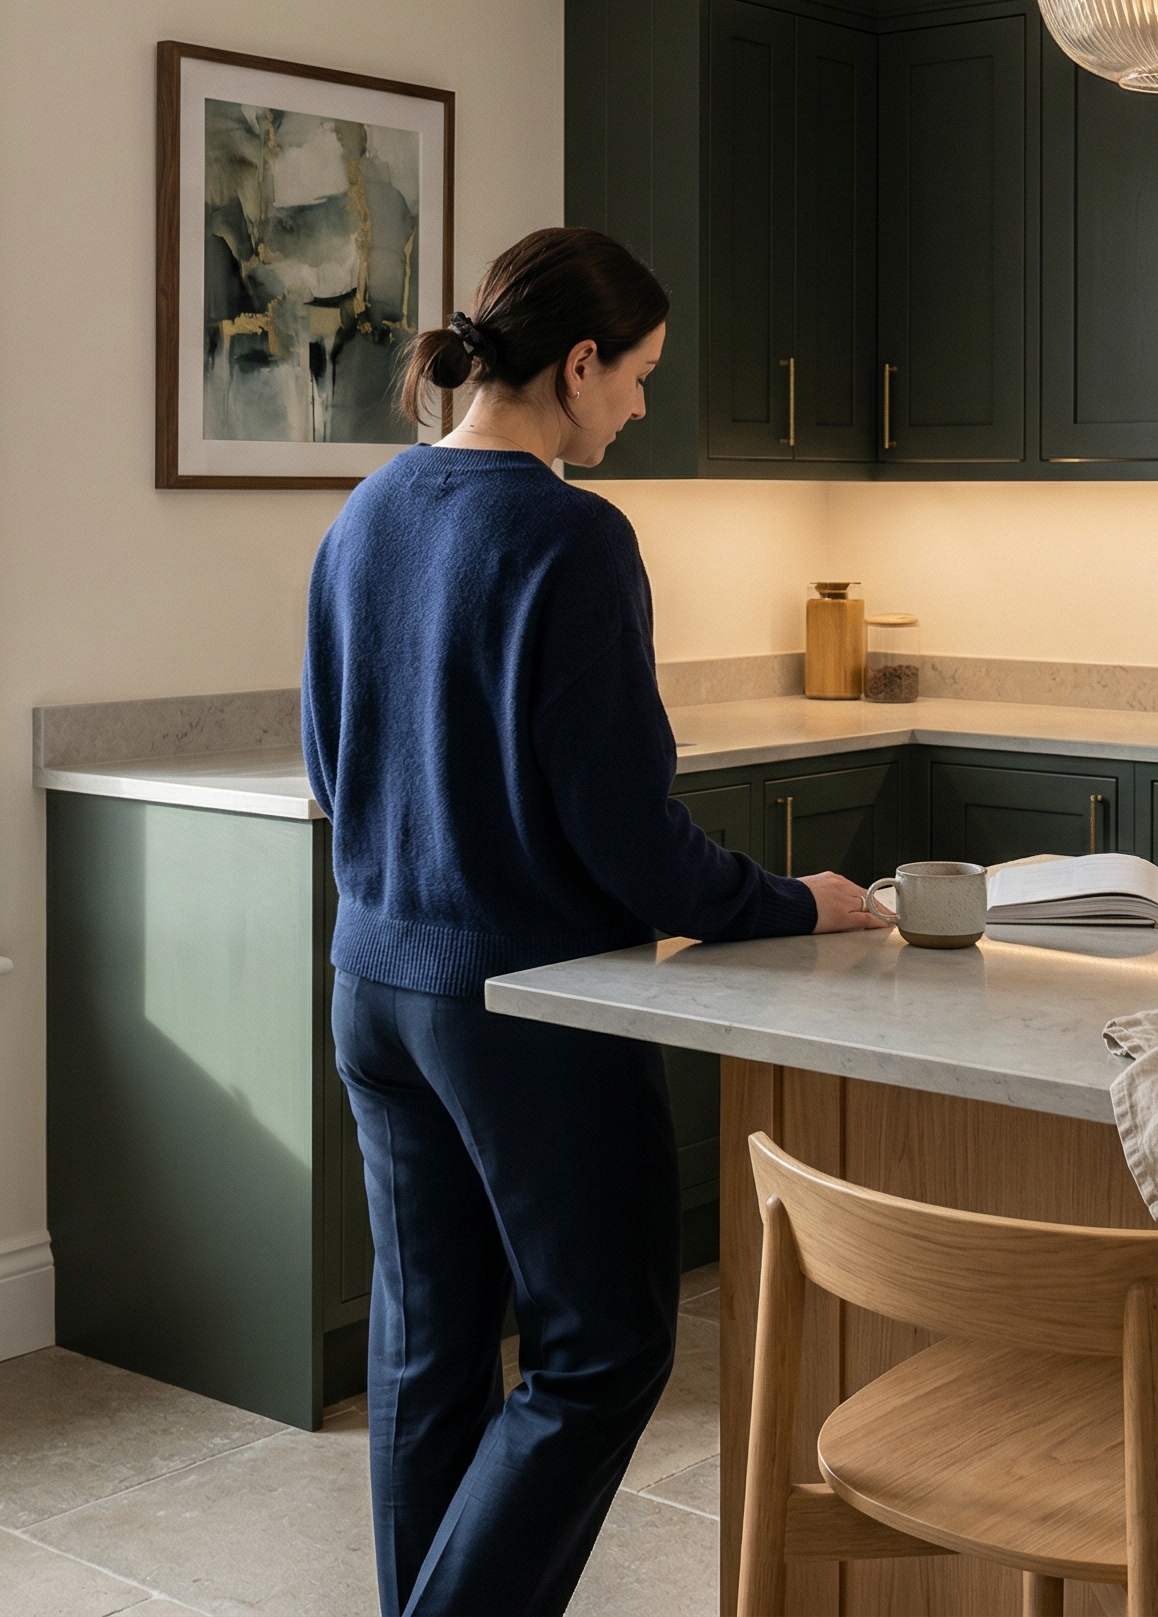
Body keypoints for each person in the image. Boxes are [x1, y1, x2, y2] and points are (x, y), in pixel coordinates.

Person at [302, 226, 881, 1617]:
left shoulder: (366, 513)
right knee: (605, 1348)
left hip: (374, 985)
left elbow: (333, 772)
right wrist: (797, 900)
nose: (638, 406)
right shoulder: (570, 535)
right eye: (635, 378)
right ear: (575, 365)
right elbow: (634, 846)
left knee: (432, 1346)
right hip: (526, 1011)